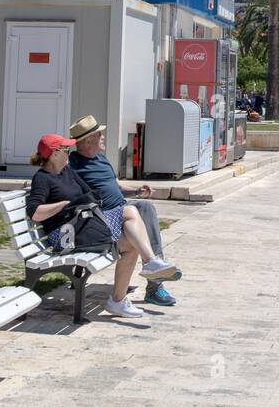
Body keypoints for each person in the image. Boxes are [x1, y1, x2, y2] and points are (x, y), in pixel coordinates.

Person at [27, 131, 171, 319]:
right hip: (65, 236)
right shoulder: (43, 178)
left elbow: (89, 193)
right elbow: (35, 213)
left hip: (82, 226)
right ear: (54, 154)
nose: (69, 153)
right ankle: (150, 263)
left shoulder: (66, 172)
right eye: (66, 150)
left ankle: (119, 300)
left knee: (131, 241)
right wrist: (63, 205)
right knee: (130, 213)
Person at [67, 116, 182, 307]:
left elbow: (116, 185)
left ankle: (154, 272)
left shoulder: (101, 159)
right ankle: (154, 275)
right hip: (104, 217)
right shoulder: (75, 165)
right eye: (99, 134)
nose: (103, 137)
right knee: (134, 210)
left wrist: (137, 191)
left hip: (121, 208)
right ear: (88, 140)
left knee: (145, 206)